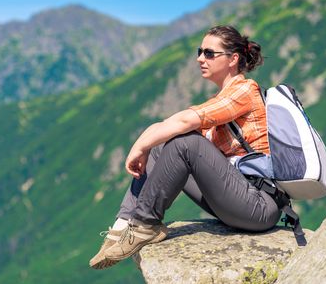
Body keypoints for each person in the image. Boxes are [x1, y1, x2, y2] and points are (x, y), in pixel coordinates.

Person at [89, 25, 281, 269]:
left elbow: (183, 122)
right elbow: (167, 126)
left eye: (210, 53)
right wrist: (147, 145)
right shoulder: (221, 100)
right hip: (236, 201)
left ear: (233, 59)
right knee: (163, 147)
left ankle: (145, 225)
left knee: (186, 143)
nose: (200, 58)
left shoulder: (245, 90)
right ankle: (121, 227)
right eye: (200, 51)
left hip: (259, 205)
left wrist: (138, 146)